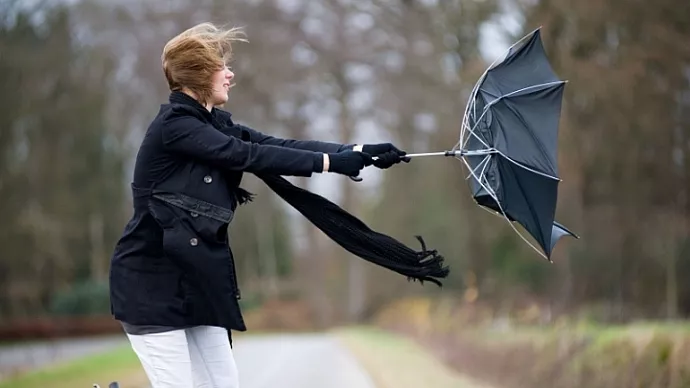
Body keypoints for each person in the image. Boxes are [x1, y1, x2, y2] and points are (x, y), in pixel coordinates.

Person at [108, 22, 409, 388]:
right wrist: (331, 165)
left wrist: (357, 152)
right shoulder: (175, 127)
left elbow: (276, 144)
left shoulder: (212, 123)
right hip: (150, 286)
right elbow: (247, 155)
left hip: (197, 281)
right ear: (201, 75)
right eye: (222, 67)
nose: (230, 74)